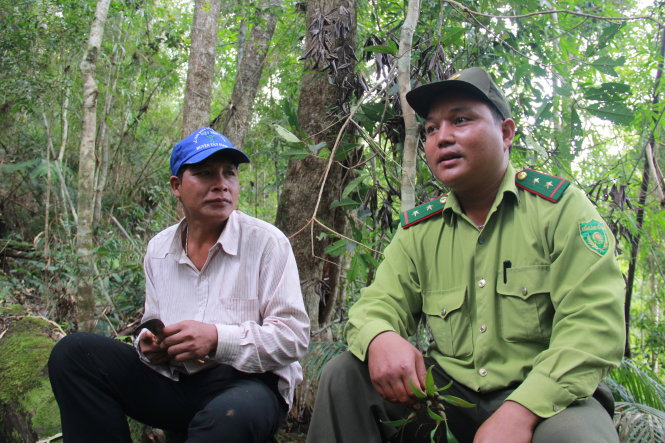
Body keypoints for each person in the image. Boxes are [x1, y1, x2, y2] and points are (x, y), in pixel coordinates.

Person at [306, 67, 625, 442]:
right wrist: (380, 337)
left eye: (460, 120)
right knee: (346, 375)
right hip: (448, 396)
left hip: (546, 398)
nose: (442, 138)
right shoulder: (420, 231)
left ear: (506, 133)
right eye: (431, 129)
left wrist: (520, 413)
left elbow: (594, 328)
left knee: (577, 437)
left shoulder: (560, 209)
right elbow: (377, 304)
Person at [49, 127, 310, 442]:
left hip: (249, 386)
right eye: (205, 173)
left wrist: (216, 338)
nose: (221, 185)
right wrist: (150, 346)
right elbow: (153, 322)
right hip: (177, 384)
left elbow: (293, 339)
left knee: (227, 417)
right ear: (176, 185)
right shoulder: (160, 249)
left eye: (230, 174)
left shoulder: (267, 243)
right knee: (74, 353)